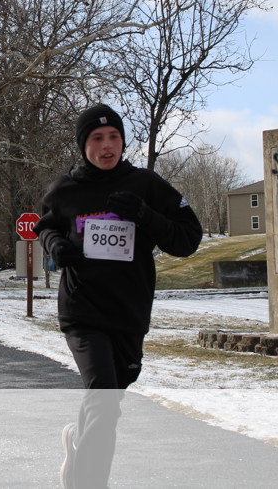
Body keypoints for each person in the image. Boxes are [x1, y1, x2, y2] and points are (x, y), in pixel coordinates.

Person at [34, 103, 202, 489]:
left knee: (107, 401)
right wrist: (55, 244)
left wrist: (145, 214)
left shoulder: (145, 185)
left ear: (123, 141)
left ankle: (79, 450)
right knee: (105, 400)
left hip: (128, 312)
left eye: (114, 137)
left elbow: (188, 239)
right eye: (97, 138)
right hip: (82, 311)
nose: (107, 146)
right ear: (83, 145)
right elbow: (46, 225)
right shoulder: (66, 189)